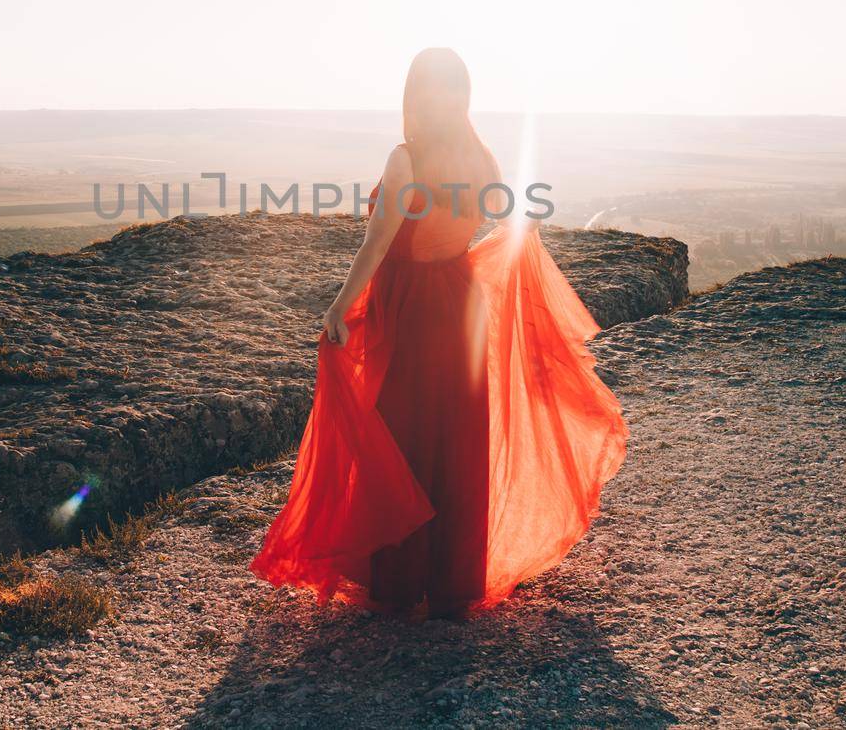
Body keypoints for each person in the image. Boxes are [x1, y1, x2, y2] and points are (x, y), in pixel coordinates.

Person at [250, 47, 627, 618]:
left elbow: (377, 245)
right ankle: (453, 585)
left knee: (408, 437)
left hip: (412, 309)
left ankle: (402, 585)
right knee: (456, 438)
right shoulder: (479, 155)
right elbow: (510, 216)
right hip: (462, 301)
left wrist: (338, 307)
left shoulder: (406, 159)